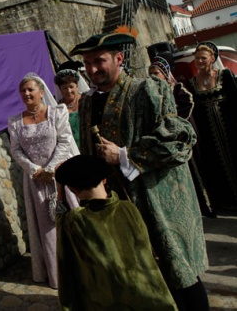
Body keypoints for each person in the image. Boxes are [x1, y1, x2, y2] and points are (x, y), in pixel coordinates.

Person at [70, 32, 209, 310]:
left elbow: (180, 140)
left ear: (119, 59)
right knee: (140, 281)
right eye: (87, 63)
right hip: (116, 209)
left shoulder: (146, 91)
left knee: (178, 276)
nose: (92, 69)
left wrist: (125, 155)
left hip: (156, 203)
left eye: (99, 61)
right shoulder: (86, 103)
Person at [55, 155, 177, 311]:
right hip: (148, 295)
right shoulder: (128, 208)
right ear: (104, 180)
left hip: (106, 301)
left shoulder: (75, 220)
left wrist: (60, 189)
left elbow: (60, 220)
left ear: (73, 190)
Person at [7, 73, 78, 289]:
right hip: (36, 181)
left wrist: (51, 169)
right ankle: (58, 276)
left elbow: (65, 141)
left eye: (30, 89)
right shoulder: (15, 122)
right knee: (47, 229)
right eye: (23, 91)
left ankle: (81, 270)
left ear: (41, 91)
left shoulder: (57, 112)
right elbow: (16, 150)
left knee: (71, 221)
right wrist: (35, 169)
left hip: (61, 177)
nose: (27, 93)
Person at [148, 56, 215, 217]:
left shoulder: (179, 90)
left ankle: (206, 205)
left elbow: (185, 110)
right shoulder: (151, 95)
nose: (152, 77)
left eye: (156, 73)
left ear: (165, 74)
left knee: (195, 172)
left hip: (183, 140)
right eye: (150, 73)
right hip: (166, 143)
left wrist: (170, 126)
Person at [183, 41, 237, 212]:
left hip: (230, 128)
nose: (199, 61)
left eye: (203, 58)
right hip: (208, 133)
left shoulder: (225, 75)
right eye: (197, 58)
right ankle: (226, 202)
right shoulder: (190, 84)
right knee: (215, 165)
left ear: (212, 59)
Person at [54, 69, 90, 146]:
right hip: (71, 148)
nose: (69, 91)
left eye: (71, 87)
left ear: (77, 87)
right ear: (60, 90)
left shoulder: (87, 101)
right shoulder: (57, 109)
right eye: (65, 88)